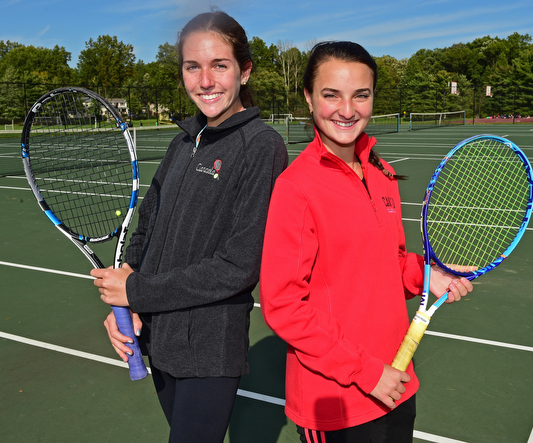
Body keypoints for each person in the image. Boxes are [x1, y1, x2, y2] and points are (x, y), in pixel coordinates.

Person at [259, 41, 473, 443]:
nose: (347, 109)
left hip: (396, 383)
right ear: (308, 98)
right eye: (331, 95)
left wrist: (429, 276)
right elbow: (283, 306)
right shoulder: (295, 189)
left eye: (361, 94)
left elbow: (389, 262)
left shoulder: (382, 173)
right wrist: (365, 372)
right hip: (338, 399)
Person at [90, 10, 288, 443]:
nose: (205, 80)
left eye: (220, 65)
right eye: (192, 67)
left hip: (209, 350)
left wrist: (137, 291)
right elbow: (146, 230)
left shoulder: (262, 146)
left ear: (244, 70)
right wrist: (126, 304)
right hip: (156, 340)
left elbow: (239, 265)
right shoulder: (182, 141)